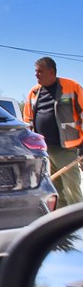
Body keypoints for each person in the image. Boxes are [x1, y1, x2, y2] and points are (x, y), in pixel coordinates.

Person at [24, 56, 83, 208]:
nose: (36, 75)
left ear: (51, 72)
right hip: (44, 150)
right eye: (35, 71)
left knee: (72, 189)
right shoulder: (34, 92)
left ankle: (77, 219)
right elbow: (27, 120)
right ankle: (62, 220)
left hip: (66, 149)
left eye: (39, 71)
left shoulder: (71, 87)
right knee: (55, 190)